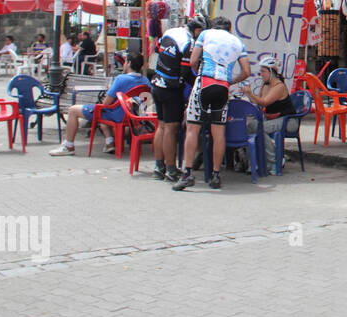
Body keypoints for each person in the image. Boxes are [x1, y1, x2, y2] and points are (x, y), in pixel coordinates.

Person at [174, 17, 250, 191]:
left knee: (193, 129)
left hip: (204, 82)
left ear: (214, 26)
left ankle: (187, 174)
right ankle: (216, 175)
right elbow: (247, 71)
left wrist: (198, 74)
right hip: (223, 87)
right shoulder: (238, 42)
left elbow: (193, 61)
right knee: (219, 132)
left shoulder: (205, 34)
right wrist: (231, 81)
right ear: (229, 29)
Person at [49, 53, 150, 156]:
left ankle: (68, 146)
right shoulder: (145, 81)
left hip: (116, 114)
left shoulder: (121, 79)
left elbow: (106, 103)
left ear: (128, 63)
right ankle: (109, 142)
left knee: (73, 110)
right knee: (103, 112)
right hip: (132, 116)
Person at [148, 19, 203, 182]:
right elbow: (186, 72)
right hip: (171, 89)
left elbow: (155, 56)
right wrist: (198, 85)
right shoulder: (188, 42)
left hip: (157, 84)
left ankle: (159, 167)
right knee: (171, 129)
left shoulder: (170, 32)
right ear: (196, 29)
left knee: (162, 126)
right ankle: (171, 169)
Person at [241, 55, 297, 173]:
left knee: (258, 128)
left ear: (271, 72)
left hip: (288, 120)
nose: (261, 74)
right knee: (249, 126)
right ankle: (255, 160)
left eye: (263, 71)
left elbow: (265, 102)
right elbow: (259, 103)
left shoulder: (279, 86)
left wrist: (250, 94)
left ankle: (274, 160)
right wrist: (247, 95)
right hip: (272, 118)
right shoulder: (265, 85)